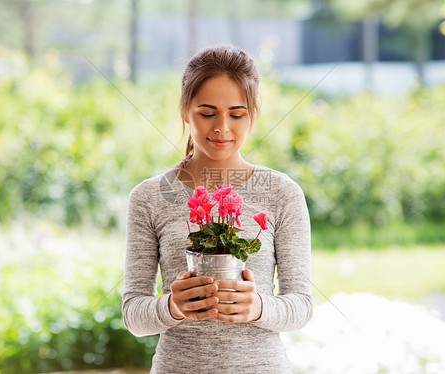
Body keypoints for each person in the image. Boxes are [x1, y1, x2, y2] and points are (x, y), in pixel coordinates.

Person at [122, 45, 312, 374]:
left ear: (252, 114)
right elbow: (134, 315)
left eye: (236, 114)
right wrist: (172, 306)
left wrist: (258, 306)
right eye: (207, 113)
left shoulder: (282, 193)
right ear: (185, 110)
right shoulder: (150, 197)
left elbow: (302, 306)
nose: (222, 127)